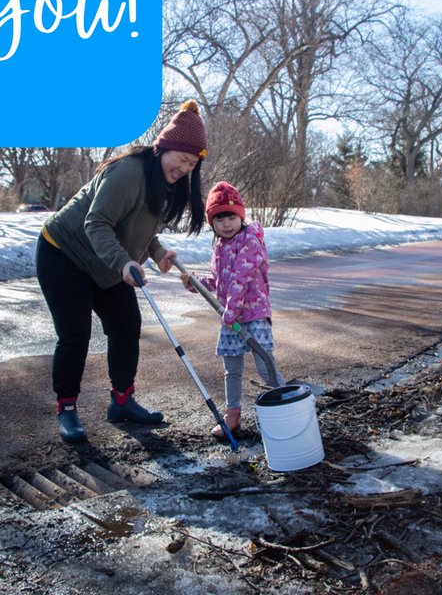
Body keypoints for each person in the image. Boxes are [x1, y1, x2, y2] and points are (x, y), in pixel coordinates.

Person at [36, 101, 207, 444]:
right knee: (75, 335)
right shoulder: (129, 173)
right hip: (64, 252)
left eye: (192, 164)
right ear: (163, 147)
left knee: (126, 325)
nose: (184, 169)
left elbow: (137, 226)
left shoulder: (163, 181)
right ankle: (67, 409)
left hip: (105, 260)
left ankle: (122, 401)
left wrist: (157, 252)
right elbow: (96, 223)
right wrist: (124, 262)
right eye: (181, 159)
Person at [182, 182, 282, 440]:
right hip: (231, 317)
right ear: (212, 223)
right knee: (232, 369)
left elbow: (241, 279)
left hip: (253, 314)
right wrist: (197, 284)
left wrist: (230, 312)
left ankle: (283, 405)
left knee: (265, 364)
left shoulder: (251, 241)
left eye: (231, 217)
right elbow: (222, 281)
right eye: (219, 219)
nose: (226, 224)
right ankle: (232, 415)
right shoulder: (220, 247)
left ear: (241, 216)